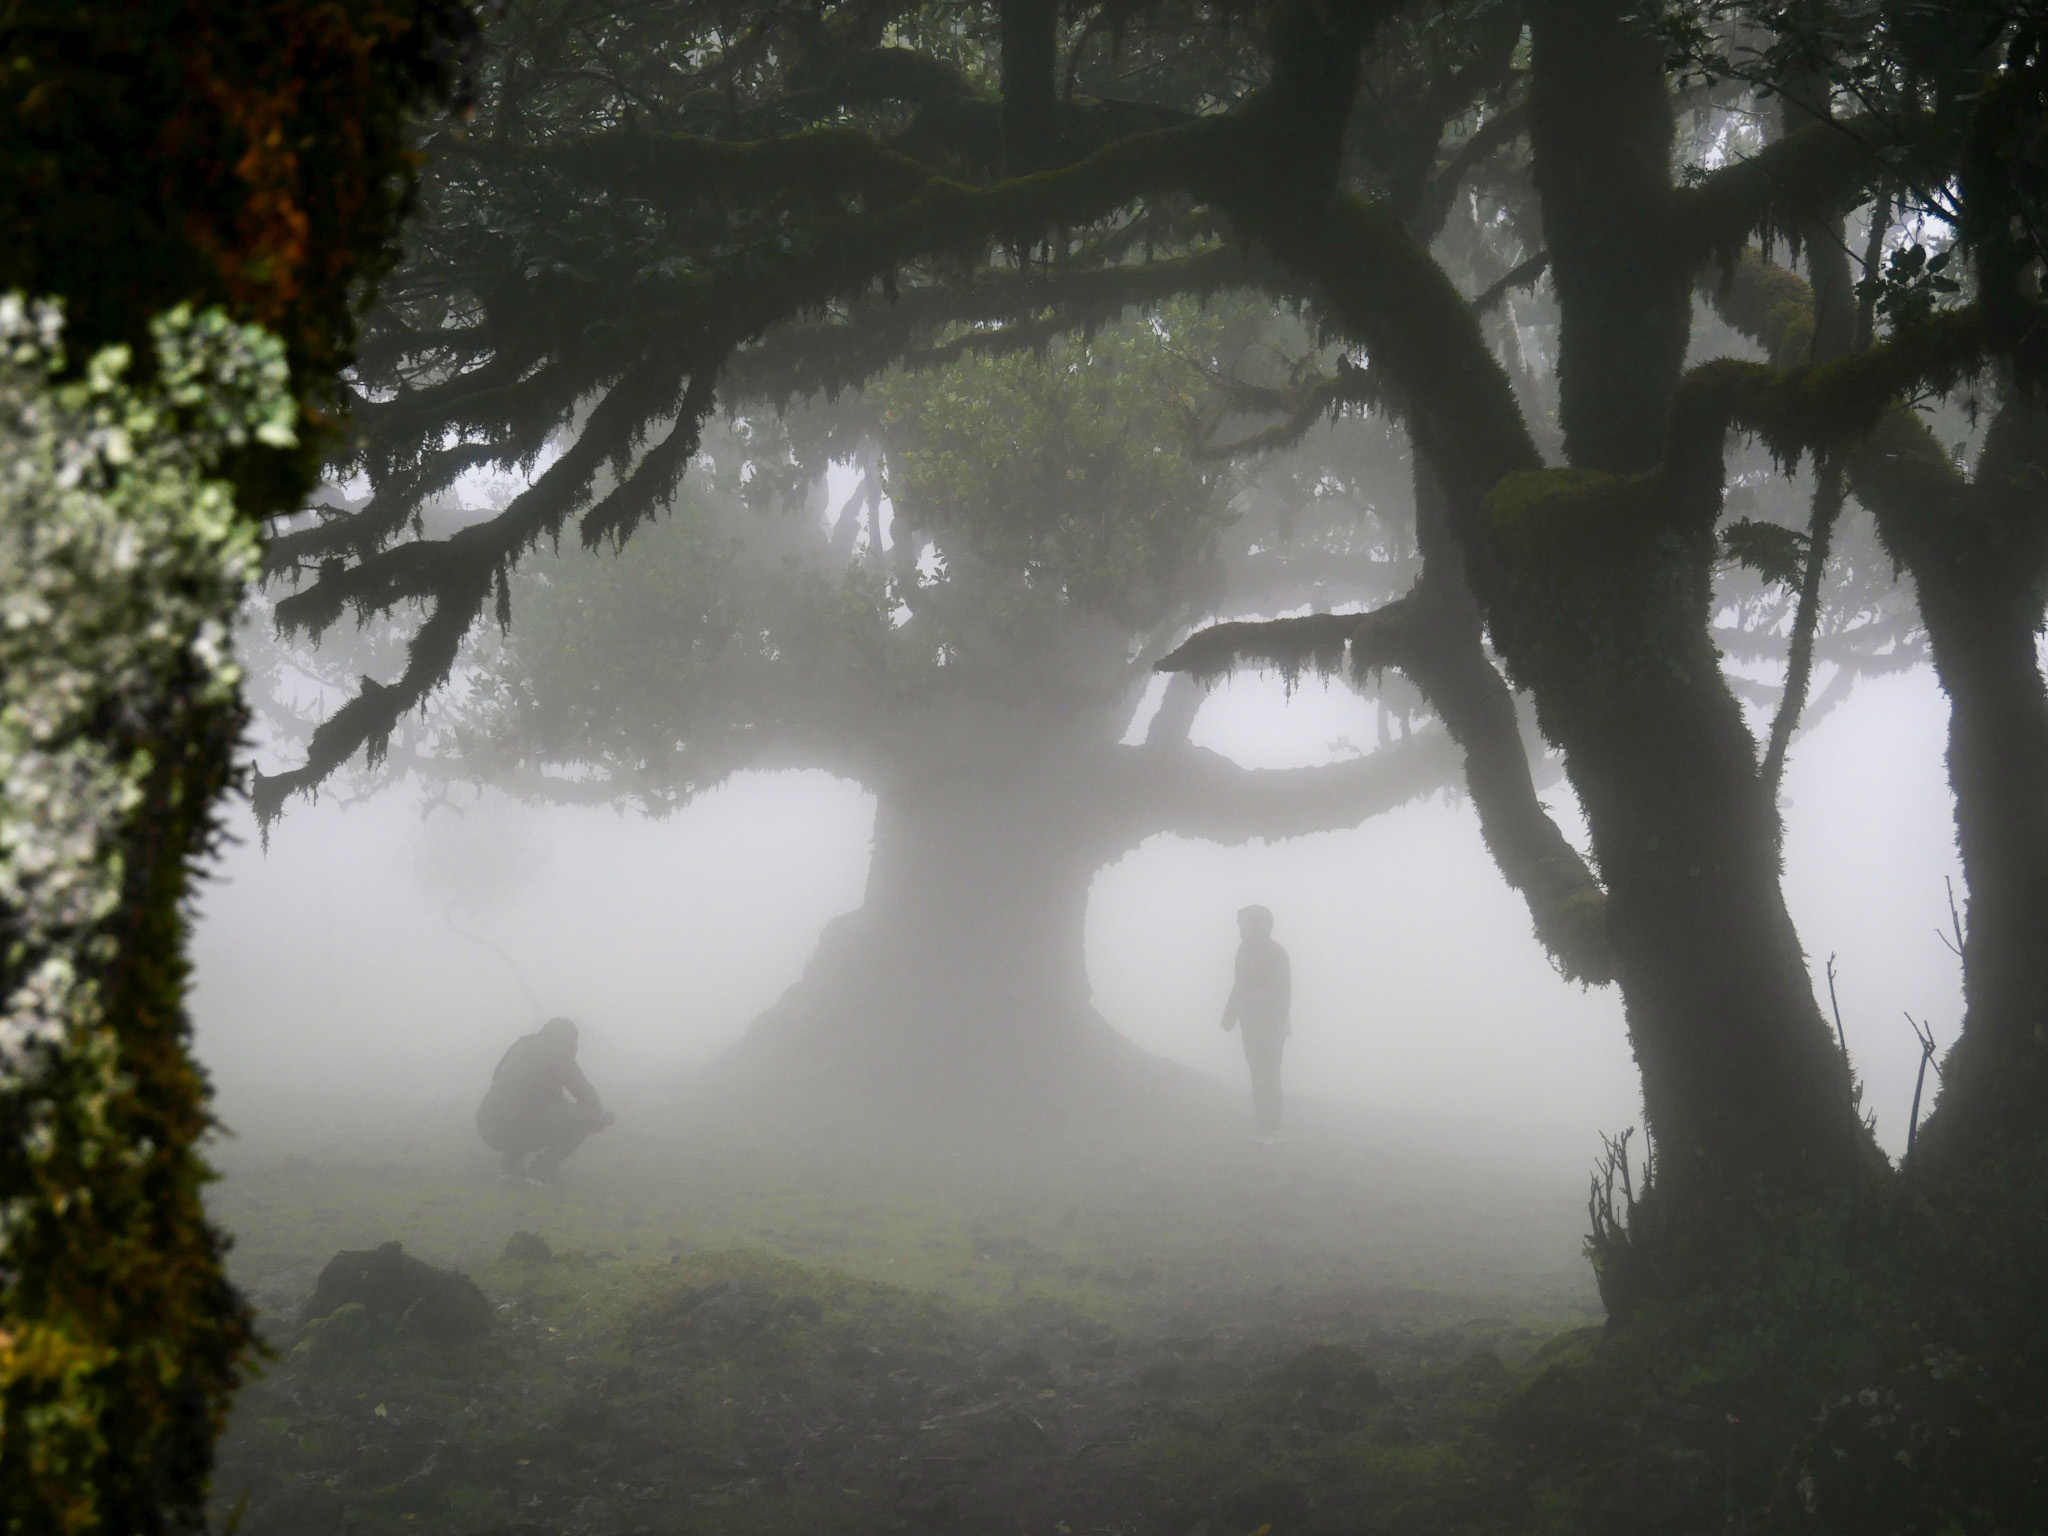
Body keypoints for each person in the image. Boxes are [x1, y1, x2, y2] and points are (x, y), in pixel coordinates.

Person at [476, 1017, 616, 1183]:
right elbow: (588, 1097)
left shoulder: (522, 1045)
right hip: (516, 1131)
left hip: (488, 1128)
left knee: (523, 1106)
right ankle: (541, 1171)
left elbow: (509, 1086)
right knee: (588, 1113)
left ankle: (510, 1166)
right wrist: (596, 1120)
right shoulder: (558, 1052)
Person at [1220, 904, 1291, 1144]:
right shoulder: (1244, 951)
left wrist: (1271, 1023)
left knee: (1268, 1075)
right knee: (1258, 1075)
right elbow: (1239, 984)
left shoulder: (1276, 954)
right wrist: (1230, 1016)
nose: (1240, 928)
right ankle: (1263, 1126)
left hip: (1270, 1027)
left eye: (1244, 923)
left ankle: (1272, 1129)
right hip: (1250, 1025)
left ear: (1258, 925)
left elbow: (1282, 994)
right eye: (1240, 923)